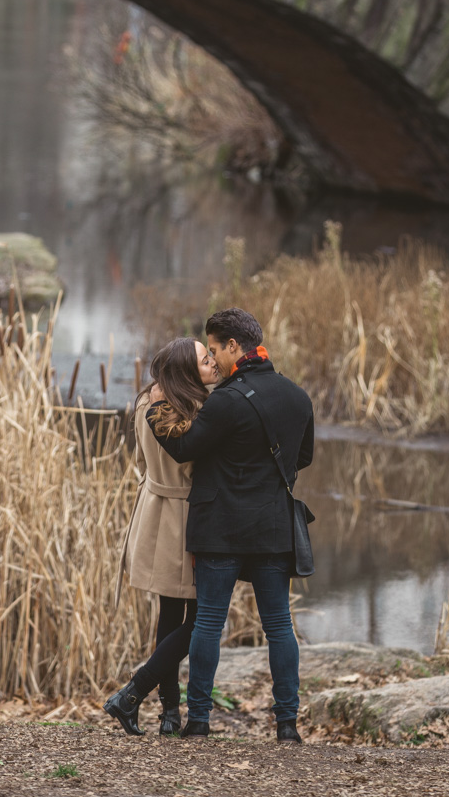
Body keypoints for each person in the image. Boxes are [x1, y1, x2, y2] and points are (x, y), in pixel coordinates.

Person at [147, 308, 314, 744]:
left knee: (208, 624)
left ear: (235, 347)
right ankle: (287, 725)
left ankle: (198, 721)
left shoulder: (225, 399)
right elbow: (303, 457)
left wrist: (157, 404)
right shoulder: (298, 397)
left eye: (216, 349)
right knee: (279, 625)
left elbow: (185, 448)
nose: (214, 359)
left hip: (220, 528)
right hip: (274, 527)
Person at [104, 337, 219, 737]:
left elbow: (139, 460)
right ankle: (134, 694)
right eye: (206, 360)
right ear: (188, 372)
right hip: (187, 517)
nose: (214, 362)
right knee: (205, 614)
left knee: (170, 615)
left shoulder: (144, 402)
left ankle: (169, 712)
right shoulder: (194, 412)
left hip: (153, 510)